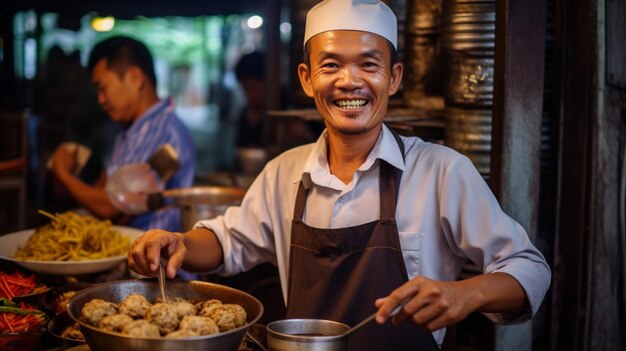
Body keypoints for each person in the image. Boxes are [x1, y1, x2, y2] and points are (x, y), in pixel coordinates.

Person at [129, 0, 551, 349]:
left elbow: (529, 269)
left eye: (369, 65)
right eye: (330, 66)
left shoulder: (441, 171)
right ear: (307, 79)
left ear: (394, 78)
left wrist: (465, 292)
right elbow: (226, 241)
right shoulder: (284, 173)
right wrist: (179, 242)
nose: (350, 82)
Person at [50, 36, 196, 232]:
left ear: (135, 78)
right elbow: (106, 188)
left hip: (156, 259)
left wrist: (63, 174)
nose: (100, 100)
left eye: (103, 88)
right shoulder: (131, 131)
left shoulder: (162, 132)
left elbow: (112, 206)